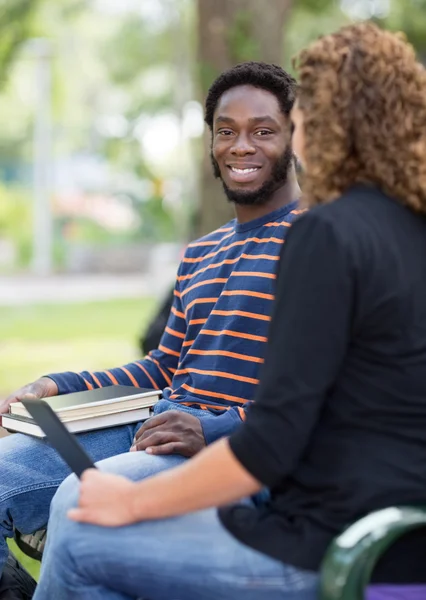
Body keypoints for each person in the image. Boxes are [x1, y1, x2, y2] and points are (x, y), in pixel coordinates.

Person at [32, 23, 426, 600]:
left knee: (81, 540)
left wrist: (134, 499)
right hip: (398, 536)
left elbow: (271, 442)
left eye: (302, 117)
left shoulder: (325, 235)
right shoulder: (406, 229)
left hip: (333, 546)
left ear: (331, 123)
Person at [0, 61, 302, 591]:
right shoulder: (202, 252)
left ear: (294, 136)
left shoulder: (319, 241)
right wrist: (56, 386)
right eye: (226, 132)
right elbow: (164, 366)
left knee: (82, 502)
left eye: (263, 131)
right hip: (152, 423)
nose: (241, 146)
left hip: (231, 451)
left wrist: (212, 429)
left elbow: (319, 394)